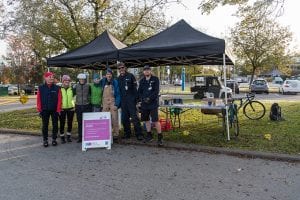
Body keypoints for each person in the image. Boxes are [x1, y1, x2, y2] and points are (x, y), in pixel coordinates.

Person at [117, 62, 143, 140]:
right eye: (119, 68)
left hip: (131, 101)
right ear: (118, 70)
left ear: (125, 68)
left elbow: (135, 89)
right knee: (124, 119)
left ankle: (139, 134)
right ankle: (127, 133)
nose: (121, 69)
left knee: (134, 118)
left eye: (122, 67)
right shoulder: (118, 79)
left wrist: (137, 100)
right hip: (123, 102)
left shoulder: (131, 76)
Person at [138, 65, 163, 146]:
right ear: (143, 72)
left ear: (150, 71)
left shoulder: (155, 79)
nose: (146, 71)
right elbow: (139, 92)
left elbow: (156, 91)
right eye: (145, 70)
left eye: (148, 70)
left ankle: (160, 137)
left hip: (153, 104)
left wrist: (149, 98)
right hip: (144, 104)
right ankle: (149, 135)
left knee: (155, 120)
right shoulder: (142, 81)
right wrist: (142, 99)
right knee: (146, 120)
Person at [36, 72, 62, 147]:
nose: (52, 78)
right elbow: (38, 100)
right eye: (50, 77)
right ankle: (45, 140)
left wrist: (58, 110)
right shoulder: (41, 88)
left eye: (52, 77)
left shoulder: (57, 88)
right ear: (45, 78)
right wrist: (39, 110)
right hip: (44, 110)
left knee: (55, 125)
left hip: (54, 110)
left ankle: (54, 139)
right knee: (45, 125)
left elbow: (59, 99)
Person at [100, 68, 121, 142]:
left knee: (114, 118)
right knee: (104, 118)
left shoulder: (115, 82)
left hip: (113, 101)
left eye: (110, 74)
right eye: (107, 74)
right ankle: (105, 134)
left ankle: (116, 135)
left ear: (112, 75)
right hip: (105, 102)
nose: (109, 75)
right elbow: (97, 86)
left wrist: (117, 104)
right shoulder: (103, 81)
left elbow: (118, 94)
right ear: (105, 75)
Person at [74, 73, 91, 143]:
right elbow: (72, 94)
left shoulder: (88, 86)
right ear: (78, 79)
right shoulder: (75, 86)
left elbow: (90, 94)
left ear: (85, 79)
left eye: (83, 79)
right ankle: (80, 137)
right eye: (80, 79)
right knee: (80, 122)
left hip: (86, 106)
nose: (82, 80)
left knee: (87, 122)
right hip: (78, 106)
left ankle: (88, 136)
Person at [59, 75, 75, 143]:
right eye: (65, 80)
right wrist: (59, 107)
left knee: (70, 122)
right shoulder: (59, 89)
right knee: (62, 123)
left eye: (68, 80)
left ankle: (68, 136)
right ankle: (62, 136)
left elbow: (74, 98)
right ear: (63, 81)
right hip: (62, 108)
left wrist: (74, 106)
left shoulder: (72, 89)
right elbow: (57, 99)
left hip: (70, 108)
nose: (67, 82)